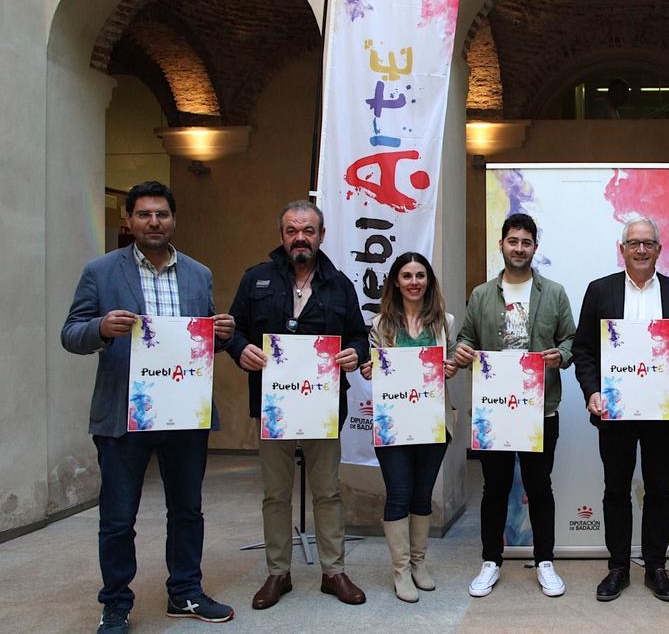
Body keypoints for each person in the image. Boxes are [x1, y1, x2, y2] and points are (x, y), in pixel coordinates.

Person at [62, 181, 235, 633]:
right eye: (144, 214)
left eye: (161, 214)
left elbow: (199, 342)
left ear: (173, 220)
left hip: (183, 411)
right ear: (129, 220)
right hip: (123, 413)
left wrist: (221, 335)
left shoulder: (199, 273)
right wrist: (100, 327)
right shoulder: (100, 272)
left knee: (187, 510)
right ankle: (116, 604)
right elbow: (71, 334)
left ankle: (186, 592)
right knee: (118, 517)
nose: (153, 222)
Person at [226, 200, 370, 609]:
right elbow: (231, 332)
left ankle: (333, 572)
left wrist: (354, 354)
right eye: (292, 230)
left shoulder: (339, 284)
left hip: (323, 407)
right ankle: (277, 573)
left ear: (321, 235)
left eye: (308, 230)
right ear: (282, 235)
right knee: (276, 492)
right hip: (274, 408)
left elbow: (359, 336)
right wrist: (241, 350)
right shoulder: (256, 279)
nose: (300, 238)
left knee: (327, 492)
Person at [574, 216, 669, 603]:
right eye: (634, 243)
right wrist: (592, 391)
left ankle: (657, 566)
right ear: (622, 249)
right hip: (615, 410)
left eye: (648, 243)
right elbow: (583, 350)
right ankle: (618, 567)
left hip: (661, 411)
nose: (641, 249)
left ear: (659, 250)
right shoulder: (600, 291)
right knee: (616, 489)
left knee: (660, 489)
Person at [453, 213, 577, 598]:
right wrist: (461, 349)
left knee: (540, 487)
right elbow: (465, 338)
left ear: (534, 247)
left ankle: (545, 562)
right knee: (495, 488)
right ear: (502, 244)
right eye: (513, 241)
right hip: (495, 408)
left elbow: (572, 340)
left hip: (541, 408)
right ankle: (491, 561)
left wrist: (563, 355)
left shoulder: (553, 292)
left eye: (526, 242)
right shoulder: (481, 294)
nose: (519, 248)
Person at [359, 252, 458, 603]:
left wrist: (451, 368)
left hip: (433, 421)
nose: (414, 282)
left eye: (420, 275)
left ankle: (419, 564)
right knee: (399, 493)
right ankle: (400, 570)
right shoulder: (378, 325)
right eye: (407, 276)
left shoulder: (445, 322)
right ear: (396, 282)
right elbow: (369, 367)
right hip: (393, 424)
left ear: (428, 280)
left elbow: (453, 361)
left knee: (421, 494)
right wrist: (368, 370)